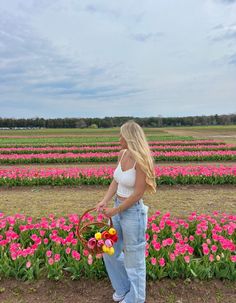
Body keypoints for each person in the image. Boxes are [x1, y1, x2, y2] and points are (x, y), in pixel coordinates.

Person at [95, 120, 156, 303]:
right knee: (109, 250)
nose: (119, 138)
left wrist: (116, 210)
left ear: (129, 137)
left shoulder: (141, 160)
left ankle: (136, 298)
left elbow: (138, 193)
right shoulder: (122, 154)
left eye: (121, 134)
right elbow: (116, 180)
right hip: (116, 207)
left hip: (132, 214)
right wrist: (105, 201)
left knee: (134, 259)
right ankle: (123, 288)